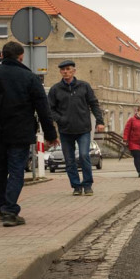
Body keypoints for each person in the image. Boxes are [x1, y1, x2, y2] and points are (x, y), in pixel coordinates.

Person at [0, 41, 58, 226]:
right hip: (20, 132)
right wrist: (50, 135)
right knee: (16, 171)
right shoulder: (29, 78)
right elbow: (43, 109)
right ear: (21, 56)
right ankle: (9, 211)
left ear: (2, 55)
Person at [48, 59, 105, 196]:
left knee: (84, 155)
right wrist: (60, 119)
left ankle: (87, 185)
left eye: (68, 69)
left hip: (83, 129)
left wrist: (100, 121)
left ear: (74, 71)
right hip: (65, 130)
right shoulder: (55, 89)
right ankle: (76, 186)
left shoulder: (84, 86)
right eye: (63, 70)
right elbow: (50, 109)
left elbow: (94, 104)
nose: (65, 72)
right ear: (60, 72)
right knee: (69, 160)